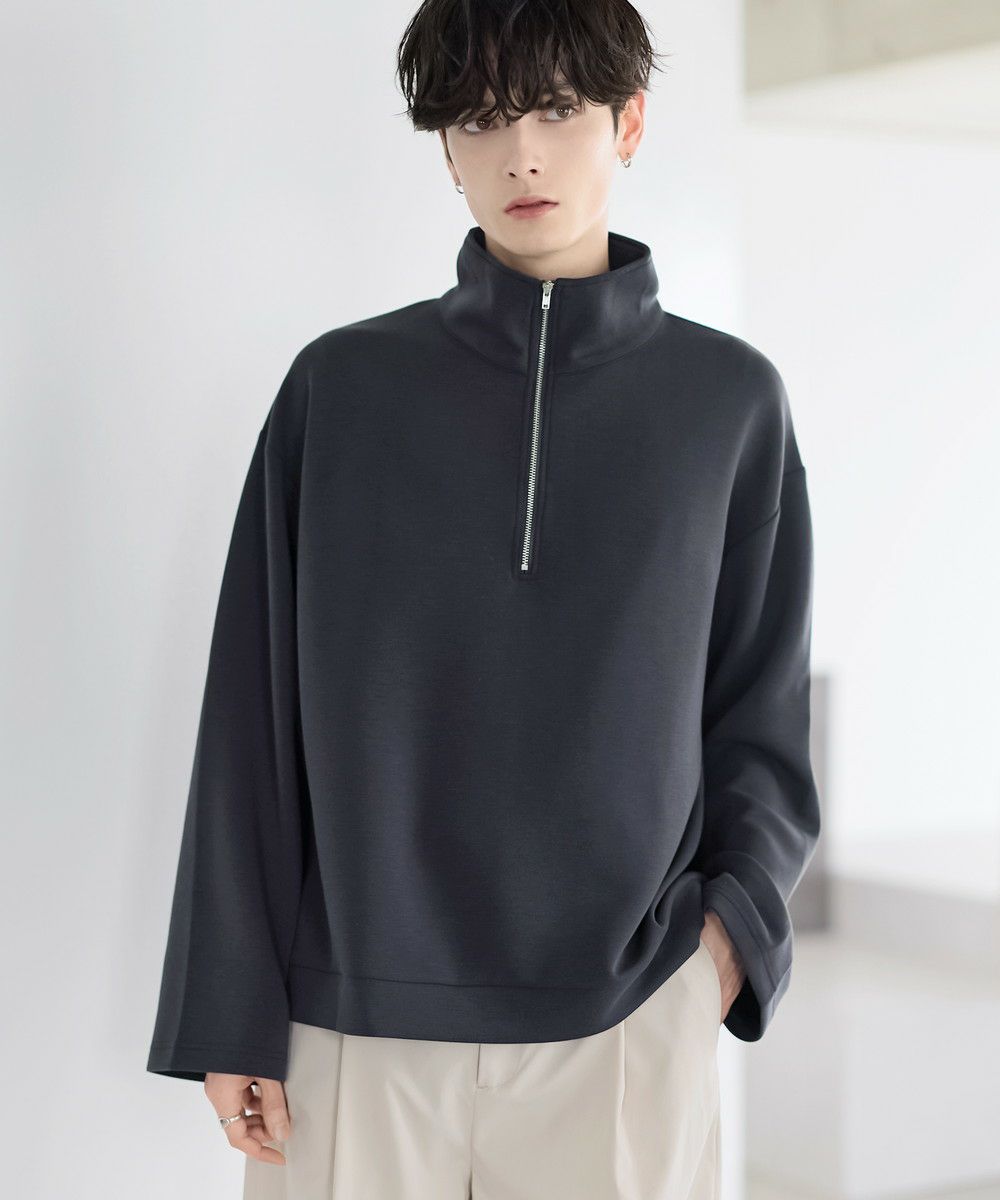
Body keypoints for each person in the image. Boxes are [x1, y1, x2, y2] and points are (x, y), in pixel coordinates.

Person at [146, 1, 821, 1197]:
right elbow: (251, 721)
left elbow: (759, 720)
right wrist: (228, 1008)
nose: (521, 154)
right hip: (353, 1020)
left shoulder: (728, 404)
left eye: (556, 110)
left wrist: (722, 947)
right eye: (480, 119)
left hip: (628, 1014)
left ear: (629, 122)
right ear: (445, 150)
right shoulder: (339, 391)